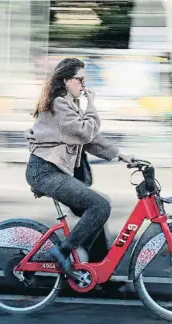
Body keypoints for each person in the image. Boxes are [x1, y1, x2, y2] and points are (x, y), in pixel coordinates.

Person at [25, 57, 133, 282]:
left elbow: (88, 140)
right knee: (99, 206)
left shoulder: (67, 104)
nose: (84, 86)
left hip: (53, 171)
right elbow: (86, 132)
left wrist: (119, 154)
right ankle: (63, 253)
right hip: (45, 172)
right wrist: (91, 104)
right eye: (80, 80)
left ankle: (97, 273)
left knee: (97, 210)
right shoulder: (59, 104)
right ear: (66, 81)